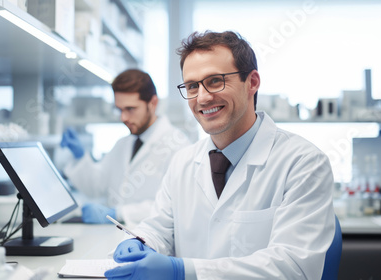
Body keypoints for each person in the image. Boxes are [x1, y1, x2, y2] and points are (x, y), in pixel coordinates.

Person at [104, 31, 336, 279]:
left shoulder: (304, 163)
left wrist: (183, 271)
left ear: (253, 82)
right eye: (192, 86)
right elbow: (160, 226)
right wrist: (142, 241)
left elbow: (294, 267)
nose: (202, 97)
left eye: (215, 81)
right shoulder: (182, 162)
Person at [61, 69, 191, 226]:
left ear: (153, 103)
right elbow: (97, 186)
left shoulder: (178, 146)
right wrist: (80, 157)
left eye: (130, 109)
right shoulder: (123, 144)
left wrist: (119, 213)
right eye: (119, 109)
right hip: (116, 235)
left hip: (152, 240)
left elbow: (174, 206)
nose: (123, 118)